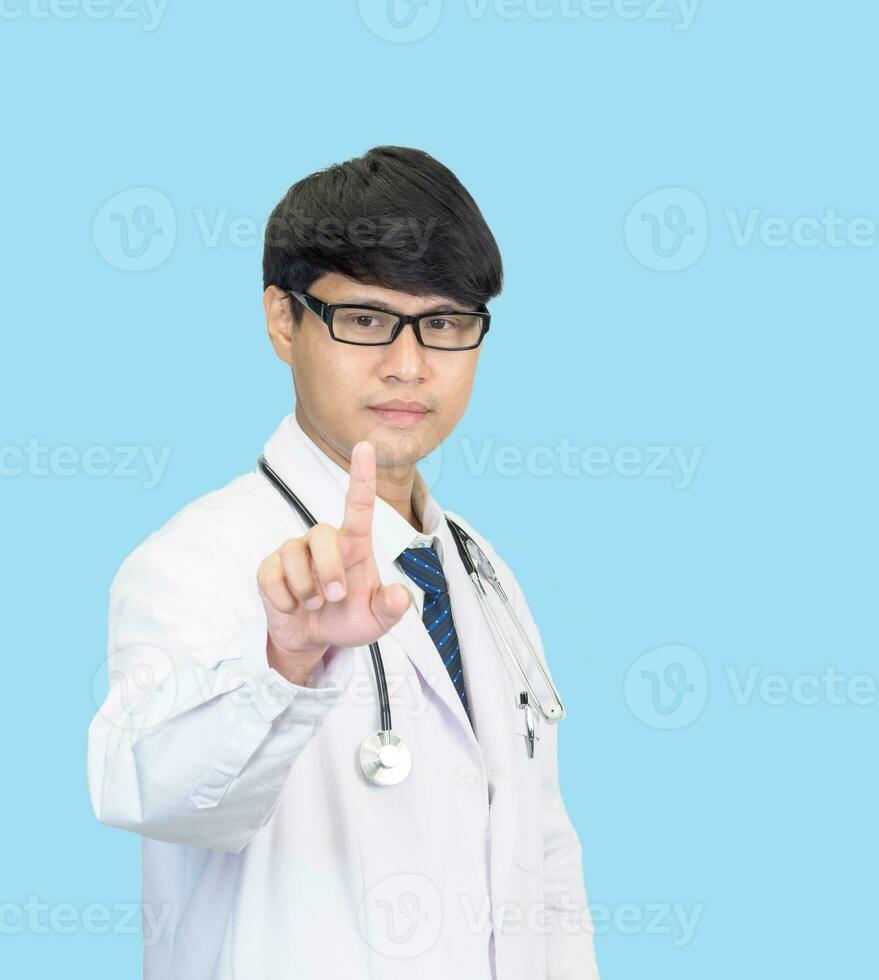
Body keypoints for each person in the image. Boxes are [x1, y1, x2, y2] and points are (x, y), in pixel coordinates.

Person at [86, 146, 599, 980]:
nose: (409, 363)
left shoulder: (481, 571)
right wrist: (284, 663)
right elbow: (147, 791)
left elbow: (543, 855)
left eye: (445, 322)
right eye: (364, 319)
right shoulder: (193, 560)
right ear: (282, 321)